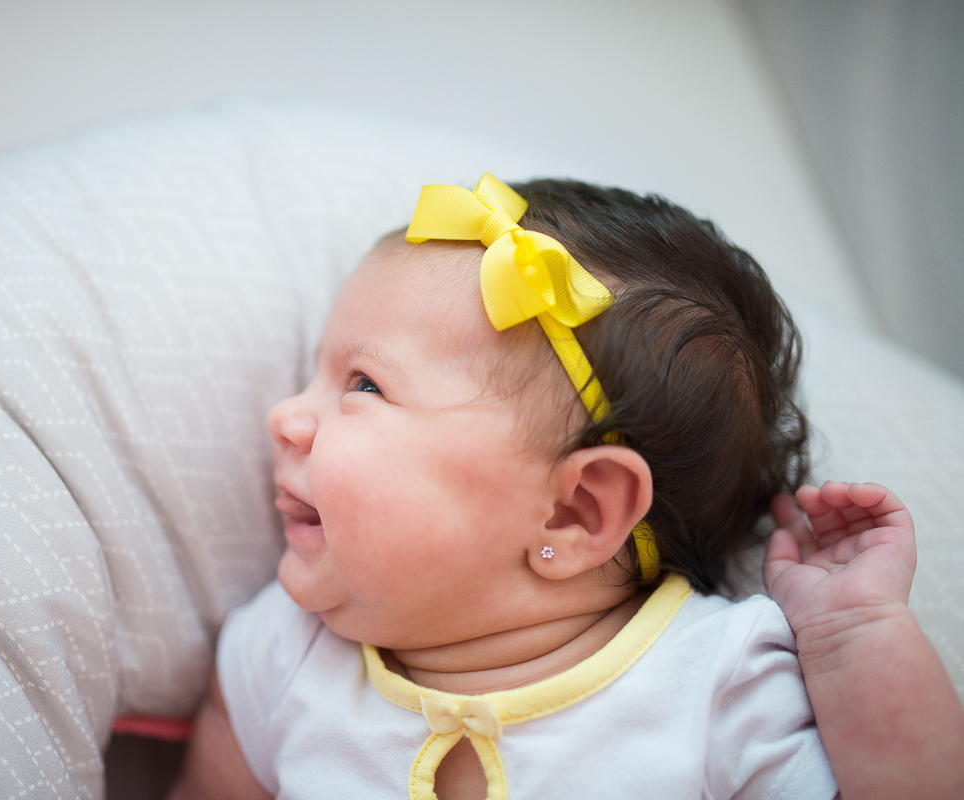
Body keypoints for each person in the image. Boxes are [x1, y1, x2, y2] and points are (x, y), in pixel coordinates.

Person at [169, 175, 964, 799]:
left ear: (577, 511)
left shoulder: (715, 686)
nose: (285, 416)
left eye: (365, 385)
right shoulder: (281, 659)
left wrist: (852, 633)